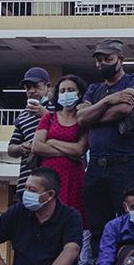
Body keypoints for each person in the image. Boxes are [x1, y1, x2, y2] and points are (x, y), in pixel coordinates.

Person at [75, 40, 134, 243]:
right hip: (96, 166)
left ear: (121, 59)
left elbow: (125, 109)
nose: (102, 64)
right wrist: (108, 100)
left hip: (124, 165)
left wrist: (93, 115)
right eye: (99, 60)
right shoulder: (93, 89)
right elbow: (80, 118)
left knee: (130, 224)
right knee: (97, 227)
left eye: (108, 59)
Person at [28, 74, 89, 236]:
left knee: (72, 221)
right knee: (48, 216)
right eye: (62, 91)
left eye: (70, 90)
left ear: (79, 93)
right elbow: (37, 146)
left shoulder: (83, 119)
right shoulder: (50, 116)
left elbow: (80, 150)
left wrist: (52, 142)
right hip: (49, 177)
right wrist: (69, 149)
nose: (66, 94)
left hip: (74, 178)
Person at [6, 66, 51, 201]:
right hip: (27, 181)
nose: (32, 91)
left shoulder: (58, 109)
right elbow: (11, 149)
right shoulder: (23, 116)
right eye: (27, 87)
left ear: (47, 86)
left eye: (36, 86)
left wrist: (45, 115)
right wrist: (21, 147)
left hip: (52, 178)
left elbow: (67, 131)